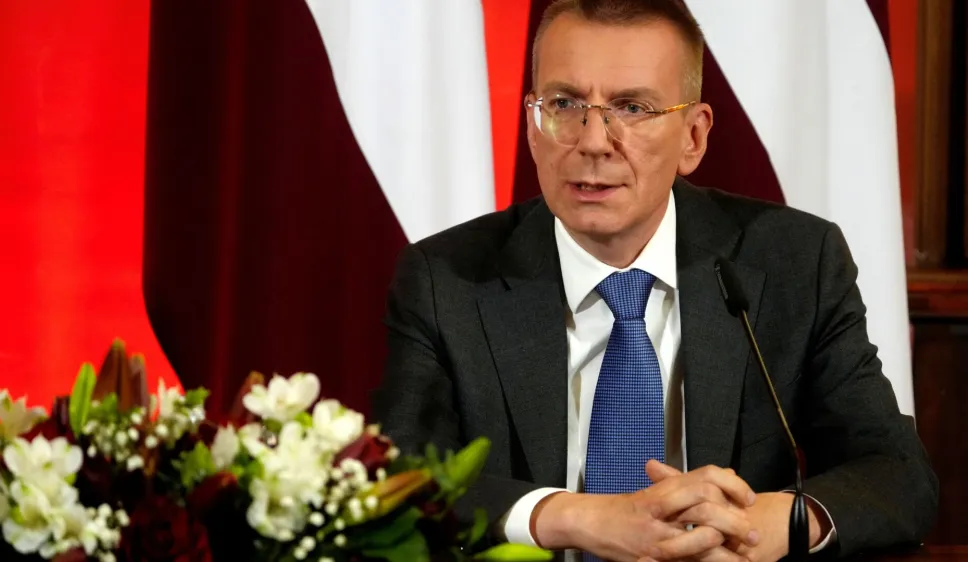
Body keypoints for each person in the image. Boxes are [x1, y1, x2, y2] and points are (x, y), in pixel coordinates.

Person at [372, 1, 939, 561]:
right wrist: (576, 517)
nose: (593, 142)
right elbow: (405, 480)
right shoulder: (446, 279)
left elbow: (896, 474)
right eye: (564, 104)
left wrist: (778, 523)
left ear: (693, 136)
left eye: (633, 107)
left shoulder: (794, 262)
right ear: (532, 126)